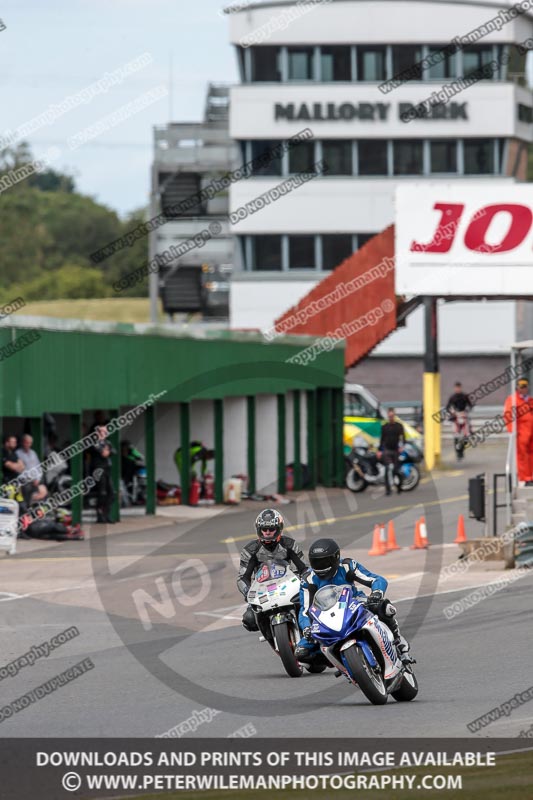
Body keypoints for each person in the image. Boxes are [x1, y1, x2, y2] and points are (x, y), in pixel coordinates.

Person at [295, 538, 413, 665]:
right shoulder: (308, 579)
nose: (321, 567)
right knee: (301, 653)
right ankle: (339, 660)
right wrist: (306, 627)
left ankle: (399, 642)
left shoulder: (347, 566)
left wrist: (377, 592)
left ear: (336, 557)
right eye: (316, 562)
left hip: (354, 603)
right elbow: (305, 610)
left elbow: (376, 579)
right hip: (325, 615)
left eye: (325, 561)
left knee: (383, 607)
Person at [237, 508, 308, 634]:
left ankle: (310, 633)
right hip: (262, 590)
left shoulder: (290, 544)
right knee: (249, 620)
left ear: (279, 528)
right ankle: (270, 634)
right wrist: (248, 593)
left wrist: (305, 584)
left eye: (271, 529)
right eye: (264, 529)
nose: (268, 532)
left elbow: (304, 569)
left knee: (311, 607)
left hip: (288, 586)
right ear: (259, 530)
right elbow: (243, 577)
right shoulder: (250, 550)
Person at [503, 378, 533, 485]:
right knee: (522, 456)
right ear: (517, 388)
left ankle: (530, 476)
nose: (524, 389)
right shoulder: (512, 400)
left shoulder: (529, 400)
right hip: (521, 432)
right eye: (521, 387)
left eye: (525, 387)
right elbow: (508, 416)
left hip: (531, 431)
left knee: (531, 455)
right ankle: (525, 478)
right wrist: (513, 432)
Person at [91, 425, 115, 523]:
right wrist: (106, 450)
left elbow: (113, 451)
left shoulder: (107, 443)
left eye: (105, 432)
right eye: (102, 432)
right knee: (102, 492)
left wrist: (107, 450)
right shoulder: (95, 443)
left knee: (112, 493)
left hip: (107, 469)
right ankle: (99, 514)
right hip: (99, 469)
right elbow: (102, 453)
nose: (105, 434)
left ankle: (106, 514)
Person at [378, 408, 405, 495]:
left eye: (392, 416)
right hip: (387, 449)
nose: (391, 418)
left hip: (396, 450)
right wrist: (379, 450)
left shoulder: (399, 426)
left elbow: (403, 438)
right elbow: (382, 439)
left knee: (396, 470)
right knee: (387, 469)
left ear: (394, 416)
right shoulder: (384, 427)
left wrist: (402, 446)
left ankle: (399, 486)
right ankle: (388, 490)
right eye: (389, 416)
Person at [16, 434, 48, 503]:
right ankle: (28, 507)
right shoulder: (18, 453)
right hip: (24, 481)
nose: (28, 445)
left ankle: (35, 507)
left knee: (44, 491)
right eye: (26, 442)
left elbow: (39, 467)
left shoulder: (33, 453)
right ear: (23, 442)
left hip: (36, 480)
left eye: (30, 443)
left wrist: (37, 479)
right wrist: (31, 478)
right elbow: (20, 470)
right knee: (27, 489)